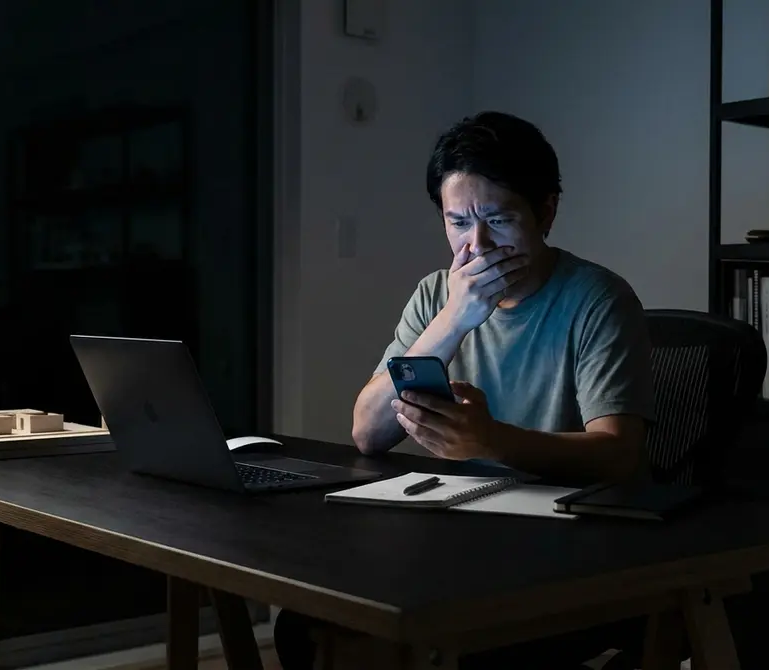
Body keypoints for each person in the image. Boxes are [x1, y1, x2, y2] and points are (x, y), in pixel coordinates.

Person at [274, 111, 656, 669]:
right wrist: (453, 320)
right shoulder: (437, 294)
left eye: (498, 220)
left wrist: (492, 442)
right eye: (458, 223)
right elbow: (368, 432)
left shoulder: (598, 299)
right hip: (459, 534)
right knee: (308, 627)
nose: (477, 245)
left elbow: (619, 454)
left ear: (545, 211)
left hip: (565, 546)